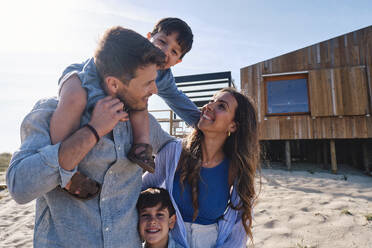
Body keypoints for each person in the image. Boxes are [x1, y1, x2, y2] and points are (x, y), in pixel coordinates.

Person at [7, 26, 175, 247]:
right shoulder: (51, 114)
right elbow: (20, 188)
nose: (154, 90)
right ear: (114, 83)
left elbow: (176, 150)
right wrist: (93, 131)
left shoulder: (143, 123)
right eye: (147, 83)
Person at [50, 18, 200, 193]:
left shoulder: (164, 77)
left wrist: (202, 120)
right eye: (161, 41)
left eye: (174, 51)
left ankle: (142, 148)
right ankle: (64, 172)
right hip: (86, 77)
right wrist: (101, 104)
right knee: (75, 99)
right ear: (149, 37)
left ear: (178, 61)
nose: (165, 51)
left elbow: (178, 100)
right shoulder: (135, 53)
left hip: (121, 95)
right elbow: (102, 61)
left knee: (140, 106)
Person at [142, 88, 260, 248]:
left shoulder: (235, 168)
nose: (209, 106)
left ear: (233, 126)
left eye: (221, 106)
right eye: (212, 101)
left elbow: (240, 224)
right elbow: (142, 189)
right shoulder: (175, 153)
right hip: (168, 242)